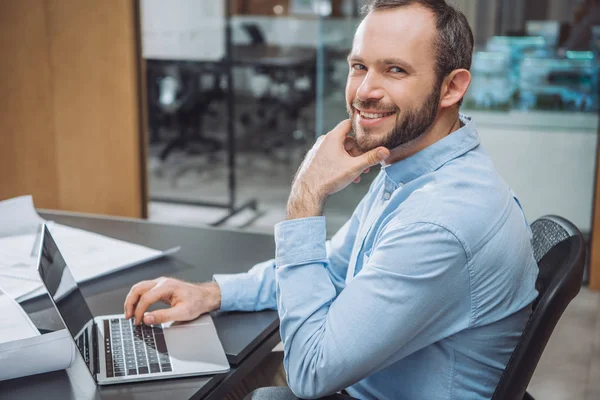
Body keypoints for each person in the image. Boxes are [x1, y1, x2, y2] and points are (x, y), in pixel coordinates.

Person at [124, 1, 539, 399]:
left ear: (451, 87)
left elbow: (310, 370)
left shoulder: (440, 220)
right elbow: (337, 268)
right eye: (359, 67)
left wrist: (306, 196)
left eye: (395, 70)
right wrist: (214, 293)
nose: (365, 92)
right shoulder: (412, 162)